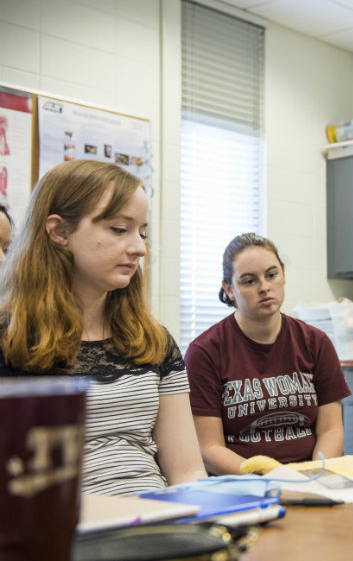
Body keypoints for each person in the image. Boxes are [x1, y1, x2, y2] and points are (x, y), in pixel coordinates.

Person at [0, 160, 207, 495]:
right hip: (63, 531)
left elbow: (188, 471)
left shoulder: (153, 341)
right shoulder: (10, 341)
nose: (139, 248)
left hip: (158, 521)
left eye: (142, 232)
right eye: (119, 229)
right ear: (59, 231)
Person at [185, 233, 351, 475]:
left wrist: (316, 475)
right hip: (243, 484)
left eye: (271, 275)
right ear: (229, 289)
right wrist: (271, 479)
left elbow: (331, 430)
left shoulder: (316, 343)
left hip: (310, 478)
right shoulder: (205, 352)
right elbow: (209, 449)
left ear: (283, 276)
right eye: (249, 281)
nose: (264, 287)